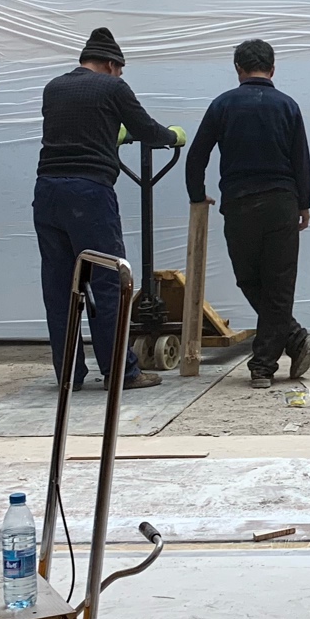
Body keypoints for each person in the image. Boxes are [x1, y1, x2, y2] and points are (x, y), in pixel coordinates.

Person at [35, 26, 187, 390]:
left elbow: (76, 128)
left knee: (60, 288)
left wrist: (111, 133)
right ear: (110, 64)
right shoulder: (113, 87)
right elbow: (146, 129)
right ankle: (121, 373)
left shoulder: (54, 87)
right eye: (119, 69)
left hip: (47, 191)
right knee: (108, 283)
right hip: (89, 193)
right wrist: (172, 136)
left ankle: (69, 376)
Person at [185, 38, 310, 390]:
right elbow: (300, 159)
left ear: (238, 69)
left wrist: (197, 195)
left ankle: (268, 360)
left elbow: (196, 155)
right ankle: (284, 347)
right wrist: (303, 203)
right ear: (272, 69)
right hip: (281, 202)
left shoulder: (222, 105)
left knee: (248, 279)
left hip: (239, 204)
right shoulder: (288, 106)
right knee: (279, 284)